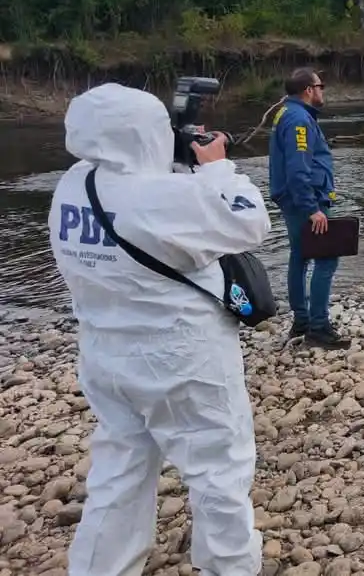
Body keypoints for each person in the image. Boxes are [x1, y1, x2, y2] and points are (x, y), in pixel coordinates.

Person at [48, 83, 270, 575]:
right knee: (218, 473)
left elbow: (136, 199)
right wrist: (216, 166)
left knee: (118, 474)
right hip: (183, 361)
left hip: (107, 360)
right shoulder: (162, 198)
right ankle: (230, 568)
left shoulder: (73, 186)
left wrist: (178, 166)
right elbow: (249, 221)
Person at [269, 67, 350, 349]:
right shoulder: (298, 120)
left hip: (295, 200)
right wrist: (312, 207)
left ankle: (302, 320)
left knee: (299, 257)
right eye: (320, 85)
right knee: (327, 258)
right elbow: (297, 169)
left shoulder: (287, 113)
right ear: (308, 90)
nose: (322, 90)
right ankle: (318, 327)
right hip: (306, 201)